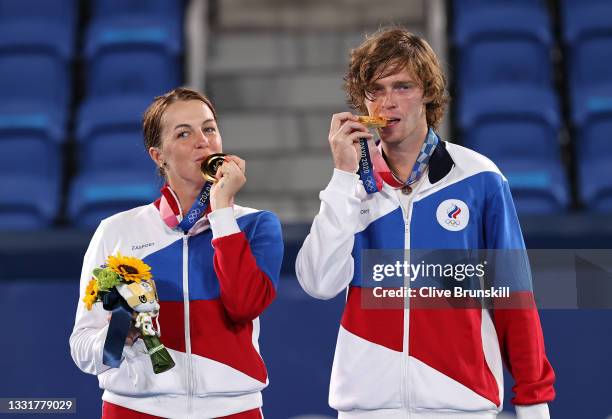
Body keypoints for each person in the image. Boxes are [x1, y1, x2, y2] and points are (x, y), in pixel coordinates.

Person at [295, 27, 555, 419]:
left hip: (461, 403)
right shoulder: (351, 187)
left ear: (429, 92)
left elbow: (514, 298)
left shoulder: (479, 179)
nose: (387, 103)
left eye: (402, 87)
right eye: (375, 90)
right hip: (367, 407)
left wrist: (534, 405)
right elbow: (318, 283)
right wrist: (341, 179)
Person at [70, 87, 283, 419]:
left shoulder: (256, 224)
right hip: (135, 409)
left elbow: (245, 306)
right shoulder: (116, 231)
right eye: (184, 133)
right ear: (159, 156)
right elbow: (83, 348)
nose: (203, 141)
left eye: (209, 128)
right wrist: (119, 333)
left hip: (233, 410)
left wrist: (222, 213)